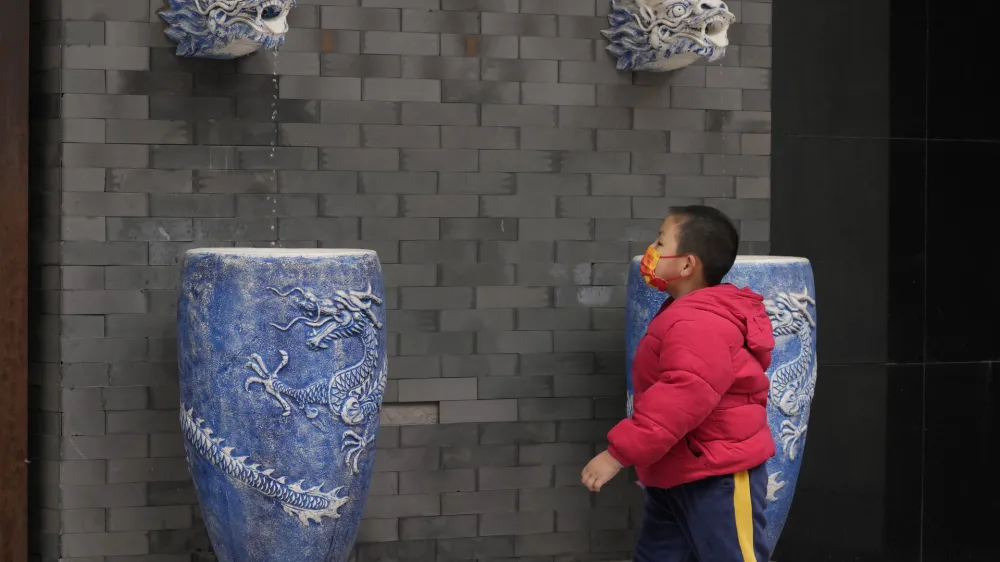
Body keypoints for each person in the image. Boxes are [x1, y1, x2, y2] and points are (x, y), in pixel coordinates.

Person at [581, 205, 776, 562]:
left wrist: (616, 455)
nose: (651, 252)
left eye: (660, 242)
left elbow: (679, 398)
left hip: (717, 474)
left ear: (687, 265)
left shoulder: (699, 322)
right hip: (678, 472)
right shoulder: (683, 313)